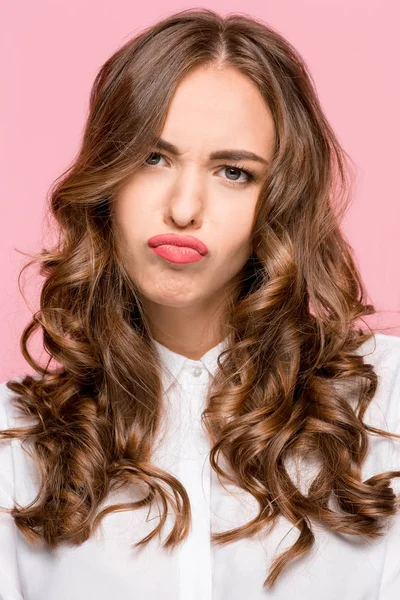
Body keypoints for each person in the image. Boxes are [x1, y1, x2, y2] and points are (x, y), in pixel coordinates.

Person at [1, 7, 399, 599]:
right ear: (107, 178)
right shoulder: (18, 444)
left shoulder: (384, 406)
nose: (185, 207)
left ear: (279, 201)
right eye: (152, 158)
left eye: (233, 172)